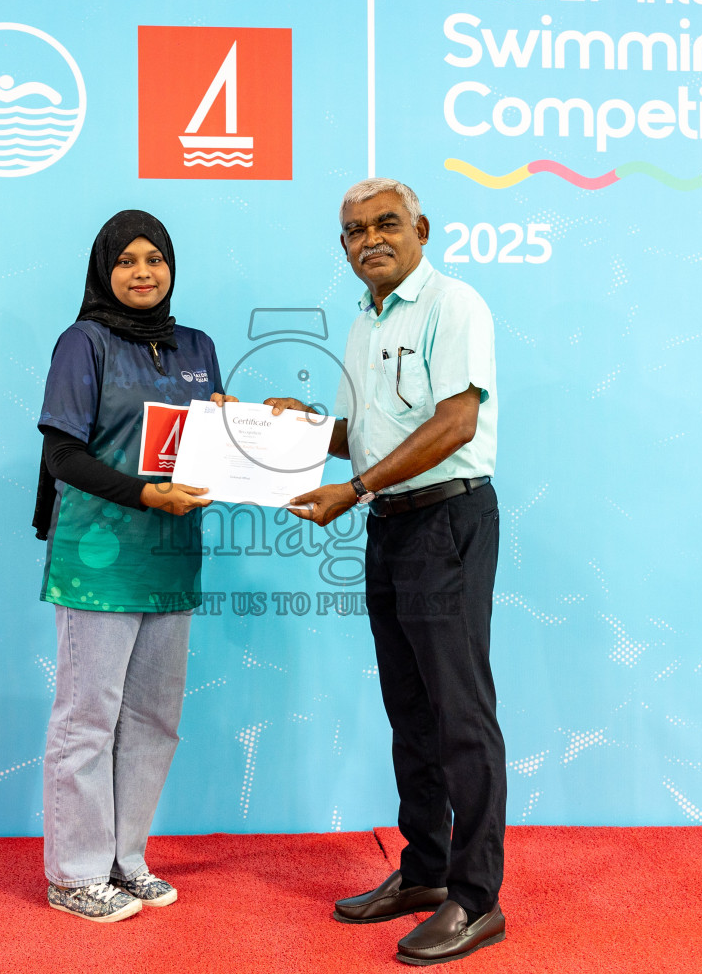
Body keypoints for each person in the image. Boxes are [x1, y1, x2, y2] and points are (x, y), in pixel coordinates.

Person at [269, 179, 506, 965]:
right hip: (389, 527)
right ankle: (425, 874)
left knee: (459, 714)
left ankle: (477, 899)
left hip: (446, 520)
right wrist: (288, 429)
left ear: (422, 229)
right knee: (410, 710)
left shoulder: (454, 305)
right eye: (353, 231)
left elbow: (455, 421)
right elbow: (359, 438)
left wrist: (359, 486)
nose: (369, 238)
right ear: (343, 248)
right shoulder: (364, 325)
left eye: (385, 224)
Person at [30, 209, 233, 923]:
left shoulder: (198, 344)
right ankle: (74, 873)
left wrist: (257, 424)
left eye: (155, 258)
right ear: (104, 271)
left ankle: (125, 858)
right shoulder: (82, 343)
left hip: (173, 554)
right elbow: (63, 456)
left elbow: (214, 435)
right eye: (127, 261)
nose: (143, 271)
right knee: (89, 718)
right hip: (99, 555)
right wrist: (146, 492)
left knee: (153, 717)